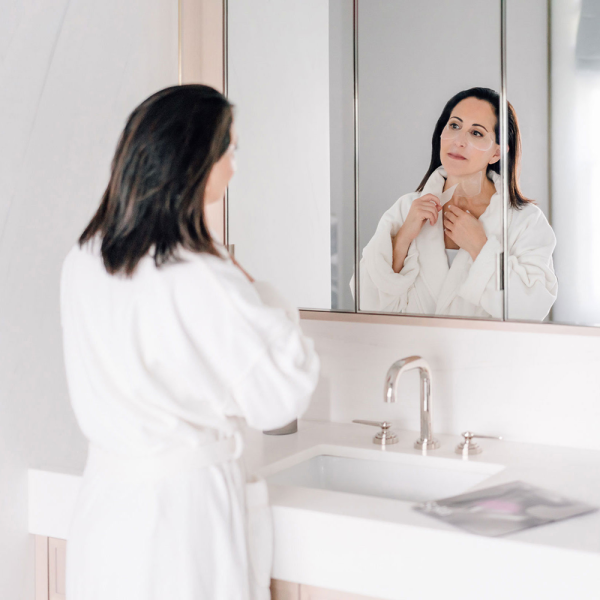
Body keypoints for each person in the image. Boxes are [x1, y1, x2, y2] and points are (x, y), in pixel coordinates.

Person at [60, 85, 320, 600]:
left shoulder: (84, 260)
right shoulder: (196, 273)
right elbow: (281, 398)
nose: (234, 167)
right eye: (229, 150)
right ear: (194, 158)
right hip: (180, 524)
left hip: (105, 517)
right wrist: (254, 291)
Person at [358, 87, 557, 320]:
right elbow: (366, 301)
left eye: (476, 133)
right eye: (454, 126)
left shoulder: (525, 221)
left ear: (496, 153)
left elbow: (531, 310)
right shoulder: (406, 209)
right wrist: (402, 238)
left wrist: (480, 248)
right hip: (414, 352)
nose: (459, 141)